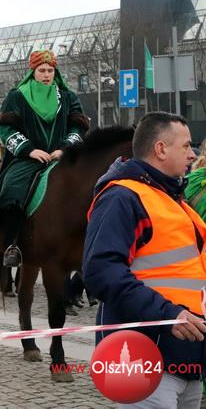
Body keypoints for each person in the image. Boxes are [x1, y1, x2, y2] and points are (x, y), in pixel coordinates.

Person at [83, 112, 206, 408]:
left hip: (187, 357)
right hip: (146, 355)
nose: (192, 154)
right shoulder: (123, 197)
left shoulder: (174, 200)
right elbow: (101, 271)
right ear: (161, 149)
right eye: (186, 146)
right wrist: (168, 314)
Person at [0, 50, 89, 267]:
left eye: (50, 70)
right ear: (33, 72)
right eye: (42, 70)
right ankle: (12, 243)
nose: (46, 75)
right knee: (12, 189)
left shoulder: (68, 97)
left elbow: (78, 127)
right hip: (27, 158)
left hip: (61, 156)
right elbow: (6, 128)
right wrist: (29, 150)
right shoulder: (17, 96)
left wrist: (65, 148)